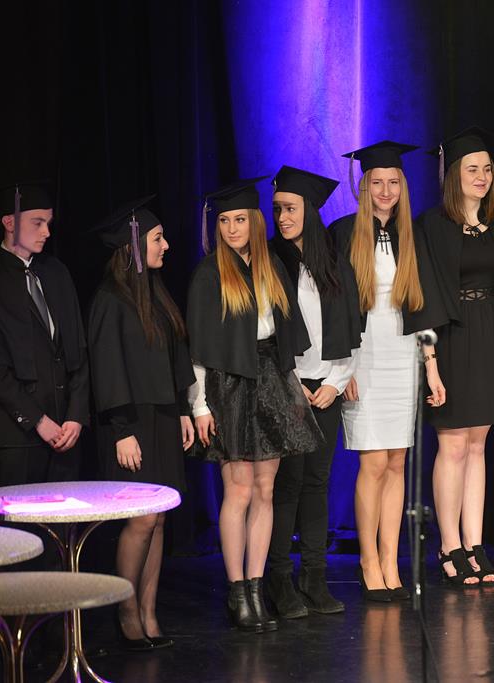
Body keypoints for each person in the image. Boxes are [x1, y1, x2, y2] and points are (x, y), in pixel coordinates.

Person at [187, 179, 321, 633]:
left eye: (240, 219)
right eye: (224, 221)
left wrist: (293, 385)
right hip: (229, 385)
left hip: (271, 380)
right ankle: (237, 591)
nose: (231, 228)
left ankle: (257, 586)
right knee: (239, 490)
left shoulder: (271, 267)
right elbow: (200, 350)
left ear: (255, 222)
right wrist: (200, 406)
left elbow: (283, 336)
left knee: (265, 490)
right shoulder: (209, 274)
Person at [329, 141, 446, 600]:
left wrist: (431, 368)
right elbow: (332, 309)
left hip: (402, 355)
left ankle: (391, 557)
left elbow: (424, 308)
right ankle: (368, 560)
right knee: (373, 461)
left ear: (402, 186)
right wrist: (342, 369)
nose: (385, 190)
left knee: (397, 460)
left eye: (393, 182)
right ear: (363, 187)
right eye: (376, 182)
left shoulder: (412, 235)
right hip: (362, 354)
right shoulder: (342, 233)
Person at [88, 197, 196, 649]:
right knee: (141, 519)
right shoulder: (110, 300)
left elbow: (175, 357)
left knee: (160, 520)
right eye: (157, 238)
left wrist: (184, 410)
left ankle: (150, 612)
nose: (166, 246)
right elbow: (107, 368)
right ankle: (127, 610)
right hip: (131, 422)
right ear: (133, 244)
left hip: (164, 416)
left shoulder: (156, 293)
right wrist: (121, 430)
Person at [420, 127, 494, 586]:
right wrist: (431, 362)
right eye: (472, 169)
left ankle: (474, 543)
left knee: (478, 444)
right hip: (450, 337)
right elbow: (423, 296)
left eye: (487, 170)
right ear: (453, 175)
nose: (481, 177)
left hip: (489, 333)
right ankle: (449, 544)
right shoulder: (432, 225)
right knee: (453, 445)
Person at [266, 167, 361, 617]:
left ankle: (315, 578)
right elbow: (264, 334)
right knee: (287, 486)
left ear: (309, 210)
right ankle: (279, 580)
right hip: (286, 387)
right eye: (277, 210)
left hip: (326, 389)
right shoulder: (270, 262)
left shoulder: (334, 263)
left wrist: (335, 384)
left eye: (290, 209)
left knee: (317, 484)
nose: (282, 218)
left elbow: (352, 329)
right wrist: (292, 386)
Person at [0, 181, 90, 485]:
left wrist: (76, 416)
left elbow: (78, 352)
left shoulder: (57, 273)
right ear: (9, 222)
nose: (46, 232)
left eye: (48, 223)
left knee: (65, 512)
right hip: (17, 437)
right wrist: (37, 420)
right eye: (37, 223)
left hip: (66, 433)